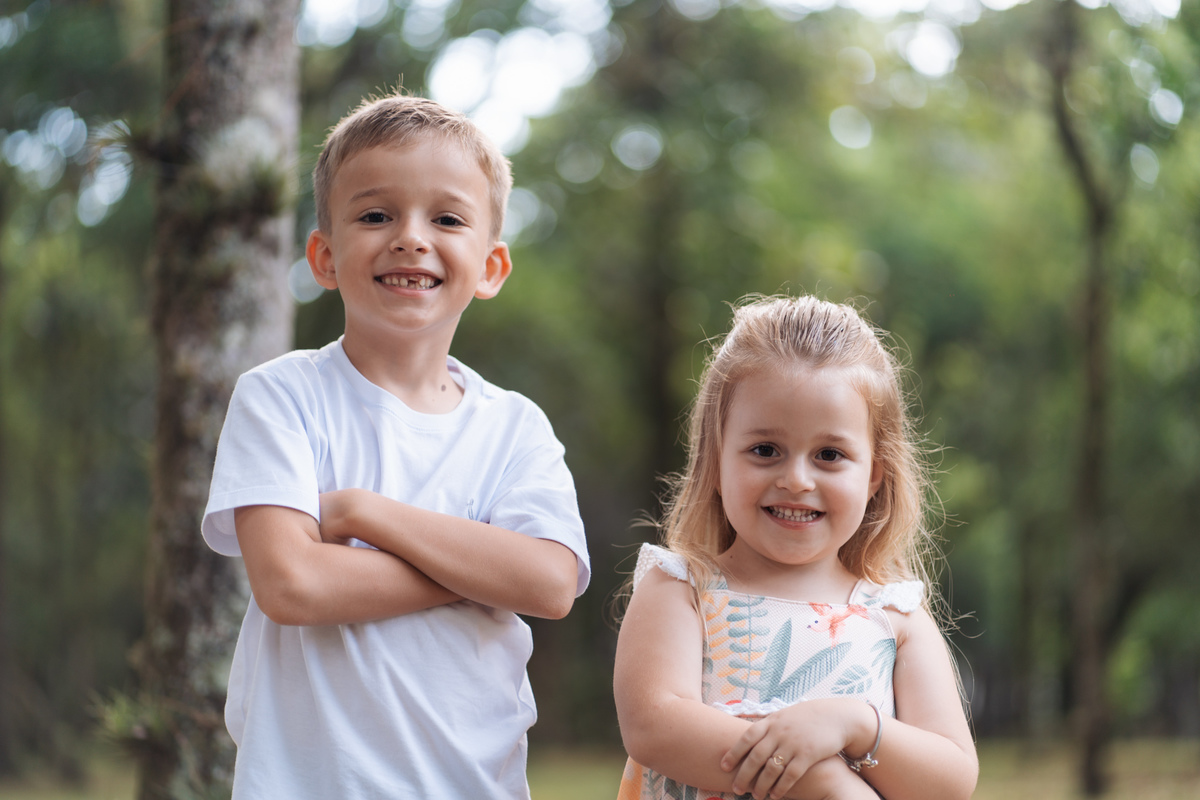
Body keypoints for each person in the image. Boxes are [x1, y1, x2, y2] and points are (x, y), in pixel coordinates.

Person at [201, 91, 590, 799]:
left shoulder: (515, 428)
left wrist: (360, 513)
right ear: (323, 256)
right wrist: (481, 568)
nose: (411, 237)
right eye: (376, 215)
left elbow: (551, 583)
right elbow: (295, 584)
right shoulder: (282, 396)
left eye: (446, 218)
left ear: (491, 267)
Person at [613, 295, 977, 800]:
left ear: (873, 475)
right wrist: (821, 781)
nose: (796, 479)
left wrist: (854, 724)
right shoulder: (681, 589)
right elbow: (655, 727)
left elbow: (952, 778)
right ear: (716, 460)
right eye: (765, 450)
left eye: (830, 454)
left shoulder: (896, 617)